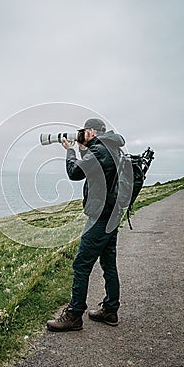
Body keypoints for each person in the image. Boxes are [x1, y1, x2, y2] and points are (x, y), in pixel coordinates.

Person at [47, 118, 125, 332]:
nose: (81, 134)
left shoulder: (100, 150)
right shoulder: (111, 147)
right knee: (108, 263)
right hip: (112, 214)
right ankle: (110, 310)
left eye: (84, 131)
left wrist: (69, 150)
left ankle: (74, 315)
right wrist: (84, 149)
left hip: (100, 217)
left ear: (91, 131)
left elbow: (75, 173)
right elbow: (94, 170)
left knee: (81, 264)